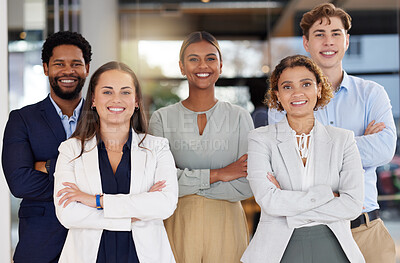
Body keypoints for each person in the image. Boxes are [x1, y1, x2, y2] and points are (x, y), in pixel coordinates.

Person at [268, 3, 397, 262]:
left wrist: (314, 148)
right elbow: (286, 164)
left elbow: (384, 149)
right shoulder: (286, 100)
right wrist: (357, 143)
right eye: (319, 34)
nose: (329, 41)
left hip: (366, 230)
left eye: (336, 33)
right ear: (306, 43)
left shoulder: (371, 94)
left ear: (347, 41)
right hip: (311, 233)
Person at [242, 55, 365, 263]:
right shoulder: (260, 139)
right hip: (277, 251)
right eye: (287, 86)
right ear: (277, 95)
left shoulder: (343, 139)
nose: (297, 93)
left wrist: (287, 203)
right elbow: (270, 202)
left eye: (306, 84)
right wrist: (328, 194)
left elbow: (352, 205)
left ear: (318, 88)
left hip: (334, 247)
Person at [53, 61, 178, 263]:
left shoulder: (158, 148)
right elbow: (68, 214)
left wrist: (95, 201)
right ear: (93, 99)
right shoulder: (70, 150)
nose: (117, 99)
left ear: (136, 100)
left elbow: (165, 205)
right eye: (108, 92)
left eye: (126, 92)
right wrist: (134, 214)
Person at [149, 31, 254, 263]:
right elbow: (159, 184)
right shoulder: (162, 119)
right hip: (178, 223)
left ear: (221, 65)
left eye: (210, 58)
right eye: (193, 59)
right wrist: (220, 174)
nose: (202, 65)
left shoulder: (239, 117)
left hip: (227, 225)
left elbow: (247, 185)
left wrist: (186, 184)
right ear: (181, 66)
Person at [2, 31, 91, 263]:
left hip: (94, 240)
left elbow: (115, 176)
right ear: (45, 68)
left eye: (76, 64)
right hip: (41, 242)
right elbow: (20, 182)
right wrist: (87, 185)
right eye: (59, 64)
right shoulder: (22, 119)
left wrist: (46, 166)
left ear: (87, 68)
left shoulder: (103, 119)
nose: (67, 71)